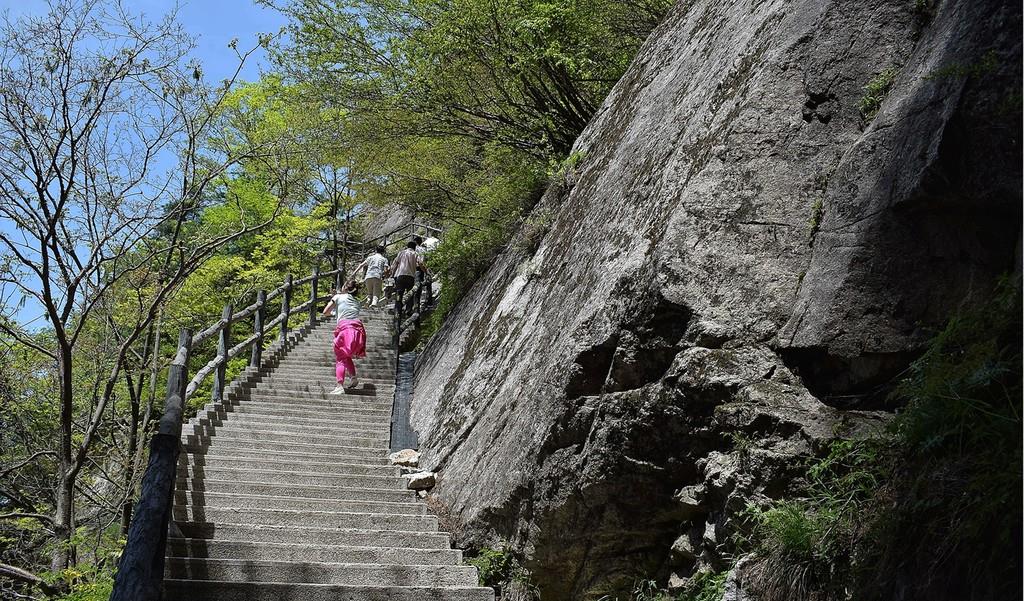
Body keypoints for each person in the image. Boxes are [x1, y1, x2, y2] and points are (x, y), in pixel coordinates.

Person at [321, 280, 366, 393]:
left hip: (345, 330)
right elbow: (344, 311)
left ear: (345, 288)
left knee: (340, 357)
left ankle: (339, 386)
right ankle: (353, 378)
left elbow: (325, 312)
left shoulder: (338, 297)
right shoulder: (357, 302)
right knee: (346, 355)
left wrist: (334, 299)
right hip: (358, 330)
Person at [388, 239, 430, 318]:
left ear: (407, 247)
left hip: (400, 276)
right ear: (414, 247)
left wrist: (392, 275)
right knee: (410, 294)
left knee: (399, 293)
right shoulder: (415, 253)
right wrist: (426, 272)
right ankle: (408, 310)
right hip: (410, 277)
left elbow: (395, 264)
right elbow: (420, 264)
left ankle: (398, 310)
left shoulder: (401, 253)